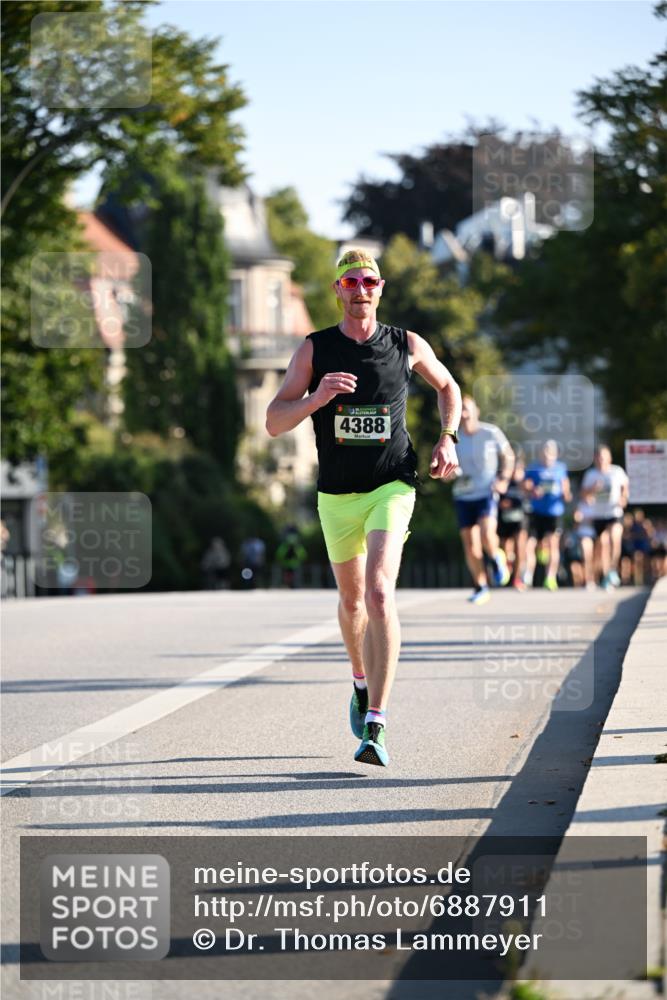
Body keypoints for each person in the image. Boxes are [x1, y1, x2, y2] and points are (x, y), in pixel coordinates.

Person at [266, 248, 460, 767]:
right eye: (350, 282)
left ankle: (376, 722)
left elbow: (448, 386)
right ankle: (358, 680)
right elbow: (274, 420)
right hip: (336, 494)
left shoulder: (406, 344)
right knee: (352, 604)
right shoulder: (315, 349)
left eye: (369, 281)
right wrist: (316, 398)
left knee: (378, 592)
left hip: (392, 484)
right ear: (337, 290)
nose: (360, 290)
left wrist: (448, 437)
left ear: (381, 288)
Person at [451, 395, 514, 605]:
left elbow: (509, 456)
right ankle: (481, 586)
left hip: (487, 492)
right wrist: (446, 473)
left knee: (487, 533)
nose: (464, 414)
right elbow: (445, 468)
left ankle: (497, 557)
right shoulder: (453, 437)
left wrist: (504, 479)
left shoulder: (491, 432)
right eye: (460, 410)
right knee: (470, 545)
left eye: (467, 409)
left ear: (476, 410)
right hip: (463, 495)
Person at [523, 440, 572, 591]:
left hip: (554, 512)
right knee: (530, 543)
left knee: (553, 544)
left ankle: (550, 578)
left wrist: (564, 493)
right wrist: (533, 491)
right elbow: (525, 486)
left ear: (555, 454)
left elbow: (567, 493)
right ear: (540, 453)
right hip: (537, 512)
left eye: (550, 452)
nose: (547, 455)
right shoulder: (533, 468)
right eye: (544, 452)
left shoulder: (561, 468)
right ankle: (527, 576)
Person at [580, 445, 629, 590]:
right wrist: (593, 489)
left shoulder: (616, 471)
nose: (601, 460)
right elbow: (583, 494)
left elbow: (625, 487)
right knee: (603, 544)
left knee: (615, 537)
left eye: (604, 457)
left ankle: (613, 569)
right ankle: (607, 574)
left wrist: (623, 498)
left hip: (614, 513)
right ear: (595, 459)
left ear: (609, 458)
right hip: (598, 515)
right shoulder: (591, 475)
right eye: (599, 457)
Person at [497, 448, 529, 590]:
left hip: (520, 516)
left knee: (519, 546)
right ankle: (507, 571)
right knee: (505, 548)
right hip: (504, 516)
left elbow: (529, 491)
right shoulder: (501, 475)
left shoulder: (523, 477)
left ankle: (516, 579)